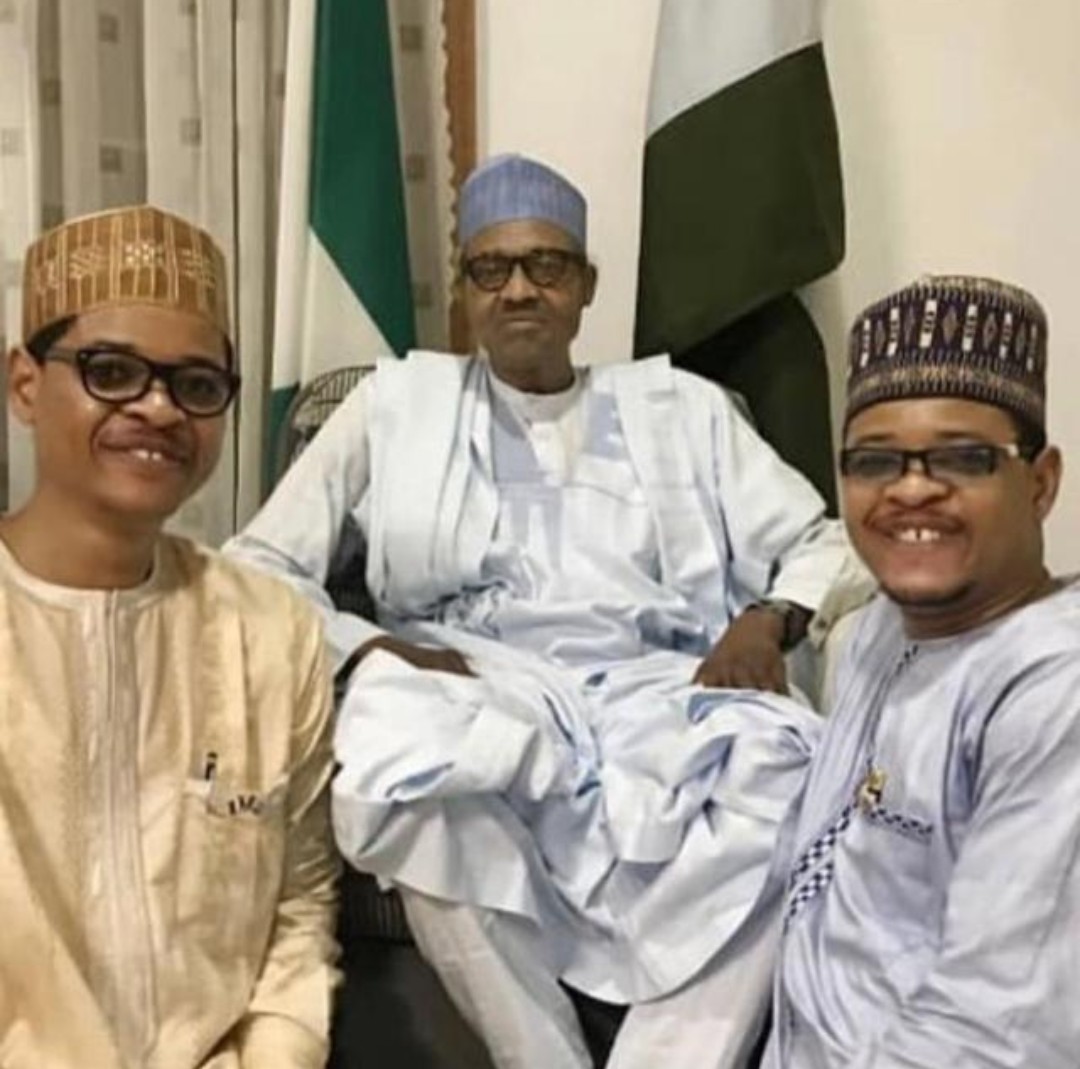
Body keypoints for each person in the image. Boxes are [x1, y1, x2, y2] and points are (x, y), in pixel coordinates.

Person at [229, 154, 851, 1068]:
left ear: (585, 285)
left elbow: (821, 540)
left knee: (793, 767)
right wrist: (370, 653)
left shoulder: (685, 409)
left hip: (662, 688)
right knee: (394, 759)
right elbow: (260, 566)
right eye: (491, 268)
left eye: (546, 265)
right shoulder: (394, 403)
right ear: (465, 290)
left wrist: (768, 620)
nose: (518, 288)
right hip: (470, 680)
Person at [0, 206, 339, 1068]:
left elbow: (299, 913)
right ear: (25, 384)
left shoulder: (271, 633)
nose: (157, 407)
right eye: (112, 371)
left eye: (195, 384)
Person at [766, 275, 1079, 1068]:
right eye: (875, 461)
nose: (911, 489)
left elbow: (995, 1036)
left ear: (1040, 482)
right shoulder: (887, 622)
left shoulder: (1053, 691)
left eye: (964, 458)